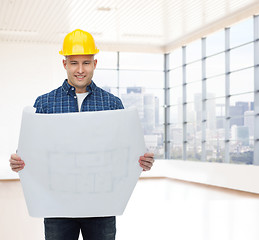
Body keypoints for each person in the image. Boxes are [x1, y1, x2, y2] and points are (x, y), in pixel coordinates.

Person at [9, 29, 154, 240]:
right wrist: (19, 161)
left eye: (86, 62)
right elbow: (33, 149)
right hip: (57, 205)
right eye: (74, 62)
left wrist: (141, 161)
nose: (80, 69)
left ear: (94, 64)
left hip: (101, 205)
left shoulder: (112, 104)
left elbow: (124, 151)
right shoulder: (45, 103)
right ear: (64, 64)